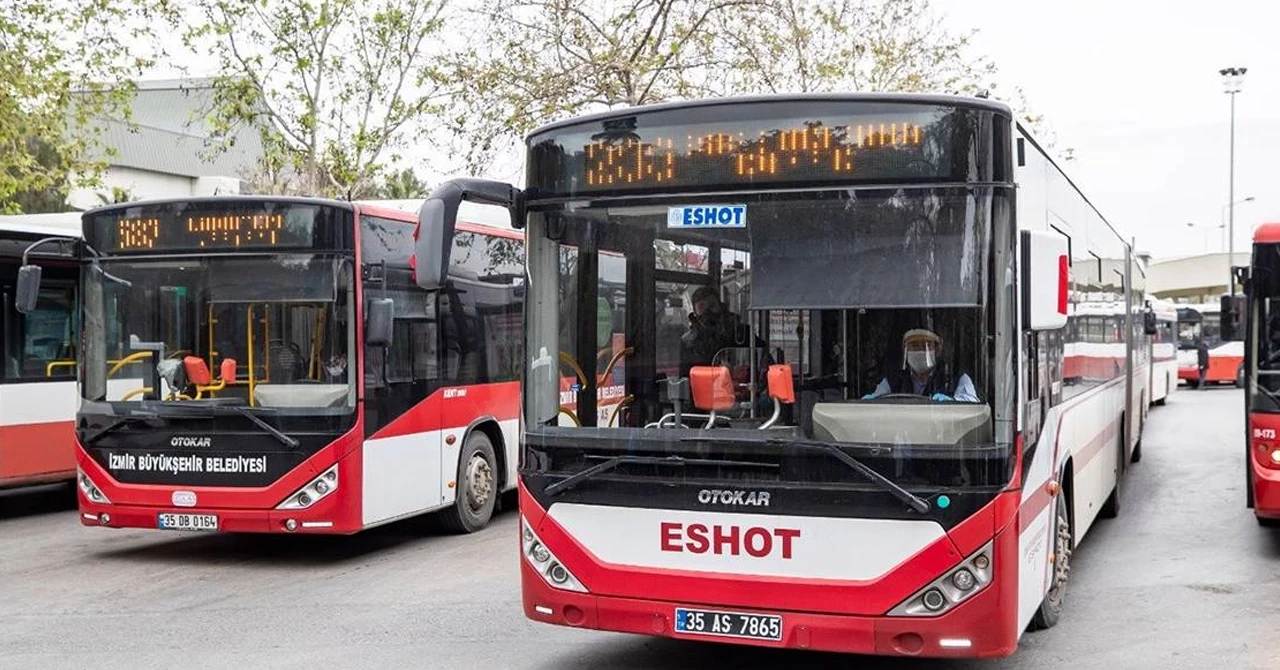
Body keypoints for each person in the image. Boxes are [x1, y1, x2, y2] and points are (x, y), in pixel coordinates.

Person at [863, 328, 979, 402]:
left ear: (937, 350)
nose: (920, 350)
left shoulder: (956, 378)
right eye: (914, 346)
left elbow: (973, 407)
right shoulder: (893, 380)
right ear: (905, 351)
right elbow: (876, 400)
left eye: (926, 345)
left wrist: (952, 402)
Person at [679, 286, 743, 375]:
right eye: (701, 307)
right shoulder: (688, 341)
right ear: (695, 312)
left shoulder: (739, 332)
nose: (707, 312)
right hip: (703, 386)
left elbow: (759, 361)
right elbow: (685, 377)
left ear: (720, 307)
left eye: (712, 306)